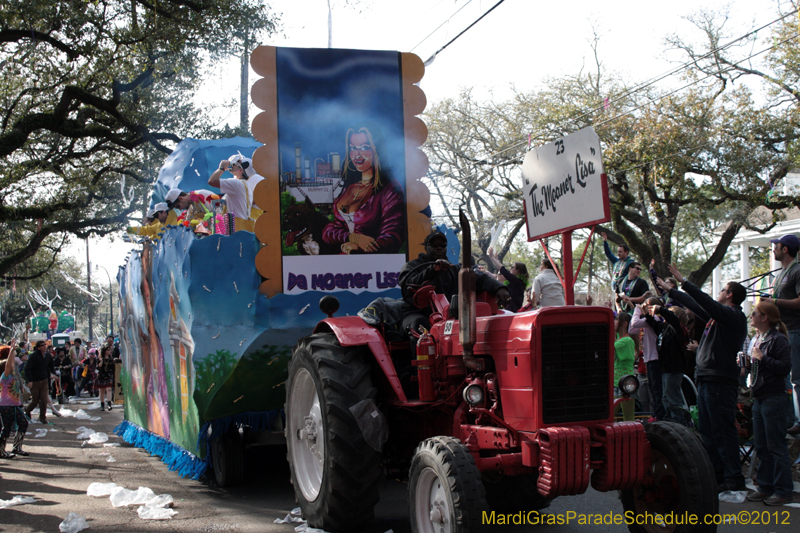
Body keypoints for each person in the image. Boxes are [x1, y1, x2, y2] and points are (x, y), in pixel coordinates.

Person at [657, 266, 747, 492]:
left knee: (722, 430)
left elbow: (705, 302)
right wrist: (671, 290)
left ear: (729, 295)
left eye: (723, 289)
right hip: (707, 379)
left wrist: (684, 281)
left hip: (720, 382)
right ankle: (717, 475)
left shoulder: (733, 316)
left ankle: (733, 477)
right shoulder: (718, 318)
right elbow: (696, 306)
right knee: (707, 429)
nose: (720, 292)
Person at [399, 231, 510, 344]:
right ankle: (424, 361)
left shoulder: (455, 269)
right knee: (419, 324)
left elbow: (480, 279)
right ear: (426, 248)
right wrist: (432, 270)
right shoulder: (412, 266)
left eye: (442, 245)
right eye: (434, 244)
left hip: (447, 316)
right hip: (416, 313)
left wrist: (500, 288)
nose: (439, 248)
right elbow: (407, 284)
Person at [322, 124, 405, 254]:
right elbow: (329, 231)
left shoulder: (390, 189)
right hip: (339, 268)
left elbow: (393, 237)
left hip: (375, 269)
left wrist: (359, 248)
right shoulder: (349, 187)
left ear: (377, 150)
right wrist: (352, 237)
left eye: (364, 148)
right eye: (353, 148)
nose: (357, 155)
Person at [745, 300, 794, 506]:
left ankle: (783, 490)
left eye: (755, 313)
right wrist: (747, 363)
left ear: (765, 317)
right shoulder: (757, 338)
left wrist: (763, 358)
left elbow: (784, 368)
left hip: (774, 397)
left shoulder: (778, 339)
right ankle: (765, 486)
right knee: (762, 445)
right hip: (760, 396)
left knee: (776, 446)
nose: (752, 316)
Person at [767, 234, 800, 435]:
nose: (774, 249)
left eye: (776, 246)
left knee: (796, 378)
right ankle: (789, 418)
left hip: (795, 329)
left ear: (785, 249)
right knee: (783, 377)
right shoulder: (780, 273)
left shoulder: (797, 270)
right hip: (782, 332)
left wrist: (775, 302)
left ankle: (798, 420)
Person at [645, 305, 691, 426]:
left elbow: (672, 319)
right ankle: (668, 419)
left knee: (672, 397)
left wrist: (660, 310)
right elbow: (653, 324)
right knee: (665, 397)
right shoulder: (664, 328)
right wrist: (646, 313)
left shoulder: (678, 329)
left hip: (674, 368)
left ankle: (679, 420)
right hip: (665, 368)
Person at [630, 298, 667, 421]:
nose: (643, 306)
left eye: (646, 304)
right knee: (653, 388)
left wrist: (637, 310)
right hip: (649, 358)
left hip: (655, 358)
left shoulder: (655, 318)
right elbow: (632, 329)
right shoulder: (648, 320)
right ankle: (656, 414)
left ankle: (659, 415)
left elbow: (634, 323)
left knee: (656, 389)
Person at [208, 155, 264, 232]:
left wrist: (221, 168)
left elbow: (212, 181)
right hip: (242, 223)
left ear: (241, 169)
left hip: (238, 224)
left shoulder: (239, 183)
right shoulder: (244, 183)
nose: (231, 167)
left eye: (234, 165)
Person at [1, 340, 29, 458]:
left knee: (23, 423)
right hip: (6, 405)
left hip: (14, 405)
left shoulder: (13, 375)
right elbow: (8, 364)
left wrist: (13, 352)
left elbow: (11, 363)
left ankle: (17, 447)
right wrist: (11, 350)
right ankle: (1, 450)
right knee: (6, 428)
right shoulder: (5, 376)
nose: (12, 365)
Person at [24, 340, 54, 424]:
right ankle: (27, 410)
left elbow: (51, 365)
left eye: (45, 345)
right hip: (35, 381)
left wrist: (54, 373)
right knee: (35, 400)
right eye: (42, 345)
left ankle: (42, 417)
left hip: (44, 380)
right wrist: (30, 380)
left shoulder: (48, 355)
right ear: (38, 348)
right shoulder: (34, 356)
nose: (44, 346)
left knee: (44, 399)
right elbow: (28, 368)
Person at [614, 312, 636, 394]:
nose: (614, 321)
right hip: (616, 382)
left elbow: (612, 347)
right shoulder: (618, 338)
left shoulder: (627, 340)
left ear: (625, 324)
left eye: (616, 319)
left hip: (625, 383)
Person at [96, 345, 115, 411]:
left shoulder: (111, 359)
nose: (109, 351)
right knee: (102, 391)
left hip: (109, 375)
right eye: (108, 350)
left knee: (109, 389)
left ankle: (109, 405)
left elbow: (113, 368)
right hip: (102, 375)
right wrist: (101, 361)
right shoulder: (99, 359)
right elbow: (98, 367)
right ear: (105, 351)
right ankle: (102, 405)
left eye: (110, 350)